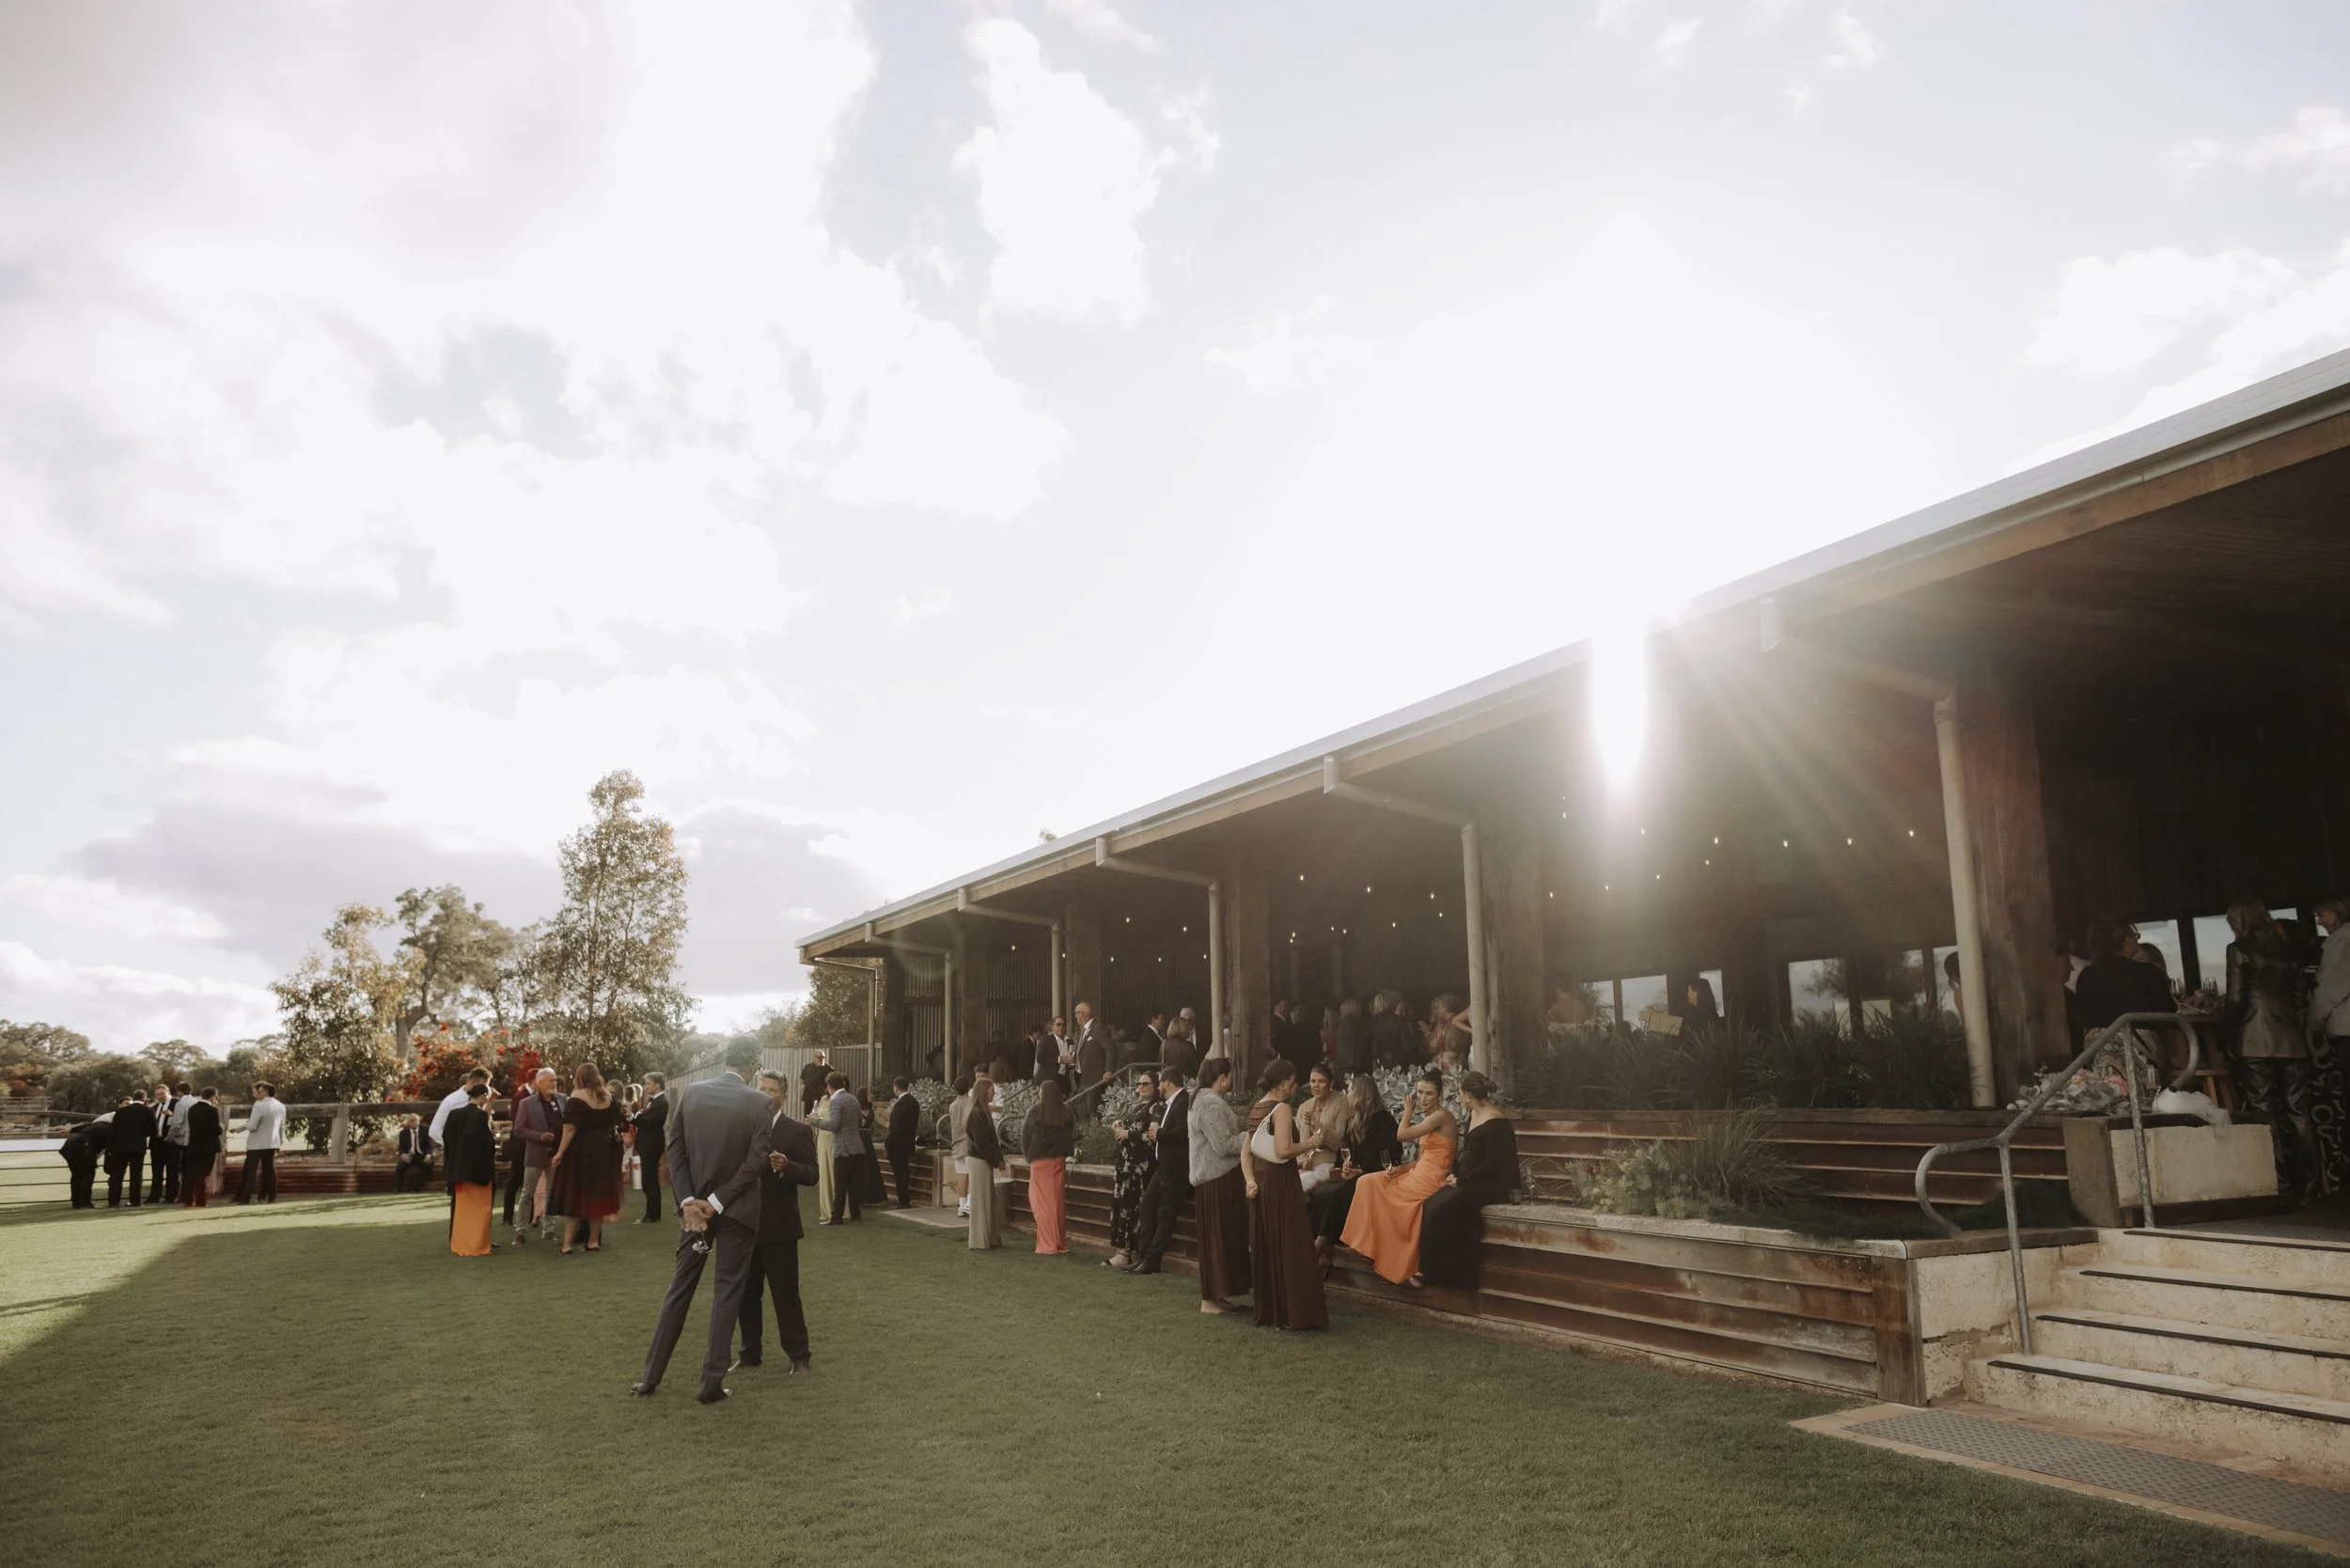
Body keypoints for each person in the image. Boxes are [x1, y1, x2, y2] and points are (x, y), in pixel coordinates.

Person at [632, 1041, 776, 1403]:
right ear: (754, 1066)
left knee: (679, 1289)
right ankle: (710, 1384)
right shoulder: (760, 1102)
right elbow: (756, 1161)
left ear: (726, 1060)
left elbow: (675, 1149)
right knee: (726, 1293)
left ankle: (649, 1378)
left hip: (695, 1212)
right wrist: (715, 1202)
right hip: (735, 1211)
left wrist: (688, 1202)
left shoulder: (692, 1093)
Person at [2227, 899, 2318, 1200]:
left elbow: (2237, 999)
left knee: (2263, 1110)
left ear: (2239, 922)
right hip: (2291, 1038)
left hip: (2254, 1038)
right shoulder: (2289, 951)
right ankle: (2310, 1185)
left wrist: (2228, 1033)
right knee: (2299, 1112)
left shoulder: (2239, 950)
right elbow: (2299, 999)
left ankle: (2277, 1182)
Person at [737, 1071, 821, 1374]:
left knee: (785, 1295)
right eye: (761, 1089)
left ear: (783, 1096)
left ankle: (799, 1357)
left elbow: (812, 1175)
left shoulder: (796, 1131)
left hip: (780, 1229)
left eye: (772, 1090)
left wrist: (789, 1167)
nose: (766, 1094)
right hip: (745, 1226)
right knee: (746, 1295)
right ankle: (749, 1353)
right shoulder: (742, 1128)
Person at [1340, 1069, 1456, 1285]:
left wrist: (1408, 1111)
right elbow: (1420, 1159)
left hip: (1433, 1177)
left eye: (1428, 1094)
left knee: (1393, 1199)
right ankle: (1364, 1244)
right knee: (1367, 1181)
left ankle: (1391, 1256)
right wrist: (1401, 1169)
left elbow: (1401, 1135)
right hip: (1418, 1171)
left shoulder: (1441, 1116)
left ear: (1439, 1095)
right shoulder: (1431, 1117)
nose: (1422, 1098)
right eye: (1419, 1092)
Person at [1242, 1060, 1329, 1330]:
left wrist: (1249, 1181)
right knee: (1292, 1244)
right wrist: (1312, 1143)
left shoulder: (1257, 1107)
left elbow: (1247, 1152)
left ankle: (1273, 1311)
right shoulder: (1281, 1109)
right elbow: (1282, 1150)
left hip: (1262, 1182)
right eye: (1293, 1081)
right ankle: (1295, 1314)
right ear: (1282, 1083)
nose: (1296, 1085)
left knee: (1269, 1244)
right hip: (1280, 1183)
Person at [1417, 1071, 1518, 1291]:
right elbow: (1467, 1154)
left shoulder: (1496, 1122)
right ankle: (1433, 1269)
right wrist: (1456, 1174)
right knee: (1432, 1203)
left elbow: (1493, 1164)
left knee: (1445, 1207)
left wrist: (1462, 1181)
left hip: (1490, 1185)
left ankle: (1432, 1273)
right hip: (1469, 1180)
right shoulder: (1472, 1115)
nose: (1460, 1099)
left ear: (1468, 1095)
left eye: (1460, 1094)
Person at [1311, 1073, 1402, 1264]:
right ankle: (1326, 1248)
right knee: (1322, 1193)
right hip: (1363, 1175)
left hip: (1383, 1175)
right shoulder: (1356, 1122)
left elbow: (1388, 1156)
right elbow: (1350, 1154)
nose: (1347, 1093)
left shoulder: (1382, 1120)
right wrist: (1347, 1164)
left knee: (1340, 1194)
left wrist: (1359, 1170)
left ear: (1361, 1094)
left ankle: (1319, 1246)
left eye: (1351, 1090)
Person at [1188, 1057, 1250, 1314]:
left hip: (1216, 1179)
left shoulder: (1201, 1100)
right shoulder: (1209, 1103)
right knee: (1218, 1239)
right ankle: (1210, 1299)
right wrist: (1250, 1136)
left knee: (1220, 1239)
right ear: (1222, 1077)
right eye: (1229, 1076)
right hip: (1217, 1178)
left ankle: (1218, 1295)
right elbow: (1223, 1146)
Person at [551, 1062, 625, 1253]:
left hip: (581, 1151)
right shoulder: (607, 1097)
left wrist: (559, 1153)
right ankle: (593, 1241)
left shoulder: (576, 1097)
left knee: (575, 1196)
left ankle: (567, 1245)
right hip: (603, 1149)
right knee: (596, 1196)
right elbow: (617, 1121)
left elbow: (569, 1129)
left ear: (580, 1077)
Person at [1125, 1065, 1189, 1275]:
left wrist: (1159, 1134)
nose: (1159, 1086)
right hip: (1163, 1167)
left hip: (1176, 1169)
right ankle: (1143, 1257)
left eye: (1161, 1082)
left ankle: (1152, 1261)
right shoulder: (1171, 1103)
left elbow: (1183, 1131)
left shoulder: (1183, 1101)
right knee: (1146, 1207)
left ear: (1168, 1082)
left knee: (1165, 1215)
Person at [2076, 918, 2173, 1034]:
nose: (2137, 941)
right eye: (2136, 937)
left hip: (2096, 1049)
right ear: (2127, 940)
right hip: (2141, 1049)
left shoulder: (2086, 976)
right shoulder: (2147, 972)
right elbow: (2170, 1014)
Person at [1106, 1071, 1160, 1268]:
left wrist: (1129, 1133)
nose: (1141, 1087)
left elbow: (1152, 1136)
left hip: (1142, 1169)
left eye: (1145, 1083)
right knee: (1123, 1208)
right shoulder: (1137, 1106)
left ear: (1156, 1085)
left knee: (1135, 1209)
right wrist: (1120, 1127)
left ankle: (1132, 1252)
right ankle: (1123, 1252)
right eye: (1138, 1084)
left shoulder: (1158, 1108)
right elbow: (1127, 1134)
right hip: (1127, 1167)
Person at [443, 1082, 499, 1257]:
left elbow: (447, 1139)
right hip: (477, 1171)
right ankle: (476, 1246)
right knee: (480, 1209)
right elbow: (484, 1144)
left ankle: (460, 1244)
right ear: (482, 1097)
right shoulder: (480, 1117)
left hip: (458, 1170)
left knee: (462, 1210)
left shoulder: (454, 1114)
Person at [509, 1068, 565, 1244]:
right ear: (539, 1082)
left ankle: (548, 1230)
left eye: (555, 1080)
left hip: (556, 1154)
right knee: (527, 1193)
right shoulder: (526, 1103)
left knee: (551, 1192)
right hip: (535, 1153)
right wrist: (539, 1136)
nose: (554, 1083)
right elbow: (518, 1129)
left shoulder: (563, 1100)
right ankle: (521, 1231)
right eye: (550, 1080)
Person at [1025, 1077, 1076, 1256]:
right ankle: (1058, 1242)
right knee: (1056, 1203)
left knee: (1040, 1203)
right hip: (1058, 1160)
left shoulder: (1035, 1111)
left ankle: (1047, 1244)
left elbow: (1026, 1136)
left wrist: (1027, 1155)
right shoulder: (1066, 1112)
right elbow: (1070, 1137)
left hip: (1039, 1161)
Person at [807, 1071, 867, 1225]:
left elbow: (834, 1125)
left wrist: (814, 1122)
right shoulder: (853, 1099)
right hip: (856, 1146)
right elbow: (860, 1122)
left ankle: (836, 1217)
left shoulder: (836, 1101)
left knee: (840, 1185)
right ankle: (855, 1214)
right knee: (853, 1184)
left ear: (829, 1086)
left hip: (842, 1147)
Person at [964, 1074, 1004, 1250]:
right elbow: (982, 1142)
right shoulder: (977, 1113)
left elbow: (989, 1140)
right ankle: (980, 1241)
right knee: (980, 1200)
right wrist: (997, 1160)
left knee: (987, 1199)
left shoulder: (981, 1112)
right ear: (983, 1091)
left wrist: (997, 1159)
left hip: (982, 1160)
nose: (993, 1092)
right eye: (991, 1090)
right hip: (979, 1160)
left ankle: (990, 1237)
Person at [632, 1073, 670, 1223]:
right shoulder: (653, 1101)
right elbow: (642, 1120)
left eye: (648, 1083)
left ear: (657, 1084)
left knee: (650, 1180)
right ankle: (651, 1212)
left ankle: (653, 1214)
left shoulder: (661, 1102)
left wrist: (638, 1116)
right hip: (646, 1144)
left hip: (652, 1145)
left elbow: (648, 1121)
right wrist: (634, 1117)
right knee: (648, 1180)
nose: (646, 1086)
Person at [238, 1082, 285, 1203]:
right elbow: (281, 1126)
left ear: (264, 1092)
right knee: (269, 1170)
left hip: (257, 1143)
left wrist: (240, 1128)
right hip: (272, 1142)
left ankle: (246, 1197)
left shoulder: (259, 1106)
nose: (255, 1095)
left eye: (257, 1092)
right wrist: (280, 1142)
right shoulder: (280, 1105)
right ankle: (271, 1196)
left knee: (250, 1171)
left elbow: (253, 1126)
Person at [105, 1092, 152, 1208]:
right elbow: (154, 1130)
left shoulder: (120, 1112)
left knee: (117, 1176)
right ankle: (135, 1201)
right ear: (144, 1099)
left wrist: (110, 1148)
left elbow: (113, 1131)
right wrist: (142, 1135)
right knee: (136, 1176)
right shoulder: (147, 1111)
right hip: (137, 1147)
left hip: (119, 1147)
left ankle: (113, 1202)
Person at [180, 1088, 225, 1208]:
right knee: (203, 1174)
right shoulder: (212, 1110)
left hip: (194, 1145)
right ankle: (201, 1200)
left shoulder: (192, 1109)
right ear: (212, 1097)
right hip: (208, 1147)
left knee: (191, 1174)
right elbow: (215, 1129)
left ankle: (187, 1199)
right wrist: (221, 1127)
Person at [884, 1076, 920, 1209]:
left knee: (899, 1174)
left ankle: (903, 1200)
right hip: (908, 1142)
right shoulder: (914, 1102)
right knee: (904, 1172)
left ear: (896, 1088)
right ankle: (904, 1199)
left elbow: (895, 1127)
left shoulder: (900, 1104)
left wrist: (888, 1142)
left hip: (897, 1144)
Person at [428, 1069, 486, 1150]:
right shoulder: (451, 1101)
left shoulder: (482, 1099)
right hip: (458, 1156)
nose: (486, 1089)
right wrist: (457, 1145)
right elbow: (434, 1131)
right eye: (484, 1086)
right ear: (473, 1083)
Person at [59, 1115, 105, 1208]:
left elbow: (87, 1125)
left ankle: (77, 1202)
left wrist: (71, 1130)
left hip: (69, 1146)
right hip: (83, 1148)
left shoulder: (97, 1124)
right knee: (88, 1175)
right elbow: (106, 1148)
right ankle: (85, 1202)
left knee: (76, 1175)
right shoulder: (110, 1128)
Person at [146, 1083, 177, 1204]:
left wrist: (172, 1115)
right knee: (156, 1171)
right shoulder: (154, 1107)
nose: (160, 1096)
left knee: (172, 1170)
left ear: (168, 1092)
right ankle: (154, 1197)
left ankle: (170, 1197)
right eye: (157, 1094)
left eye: (162, 1093)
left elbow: (183, 1120)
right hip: (156, 1142)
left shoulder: (176, 1104)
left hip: (171, 1142)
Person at [948, 1074, 975, 1217]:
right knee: (973, 1175)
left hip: (957, 1142)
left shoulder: (952, 1106)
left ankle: (962, 1205)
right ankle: (969, 1204)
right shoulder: (971, 1103)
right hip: (969, 1142)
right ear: (969, 1088)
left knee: (962, 1176)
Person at [164, 1080, 196, 1200]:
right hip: (193, 1139)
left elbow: (177, 1124)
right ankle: (187, 1194)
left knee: (176, 1169)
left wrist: (169, 1138)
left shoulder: (180, 1104)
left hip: (181, 1140)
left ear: (179, 1092)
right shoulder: (196, 1102)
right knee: (189, 1169)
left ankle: (174, 1195)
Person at [1073, 1001, 1108, 1090]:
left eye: (1076, 1013)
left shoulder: (1098, 1028)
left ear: (1083, 1013)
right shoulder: (1082, 1030)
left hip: (1093, 1078)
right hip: (1081, 1077)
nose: (1075, 1016)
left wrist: (1108, 1071)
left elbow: (1109, 1049)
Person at [395, 1115, 435, 1192]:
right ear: (408, 1122)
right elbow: (401, 1148)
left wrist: (428, 1154)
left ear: (419, 1121)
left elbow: (429, 1146)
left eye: (416, 1120)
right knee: (399, 1167)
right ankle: (396, 1189)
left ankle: (415, 1187)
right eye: (412, 1120)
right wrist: (403, 1155)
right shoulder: (403, 1133)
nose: (414, 1122)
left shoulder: (426, 1130)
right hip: (409, 1156)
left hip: (422, 1155)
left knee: (429, 1164)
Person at [1336, 996, 1371, 1075]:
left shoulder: (1342, 1024)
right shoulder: (1352, 1025)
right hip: (1352, 1065)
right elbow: (1354, 1045)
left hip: (1342, 1064)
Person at [799, 1051, 831, 1115]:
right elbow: (802, 1078)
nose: (821, 1059)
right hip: (808, 1096)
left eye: (822, 1057)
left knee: (817, 1115)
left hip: (820, 1097)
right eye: (819, 1057)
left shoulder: (828, 1068)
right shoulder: (808, 1067)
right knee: (807, 1115)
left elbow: (832, 1082)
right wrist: (803, 1085)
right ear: (814, 1058)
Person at [1031, 1021, 1059, 1085]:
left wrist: (1035, 1075)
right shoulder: (1044, 1040)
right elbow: (1039, 1059)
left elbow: (1037, 1062)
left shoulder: (1042, 1040)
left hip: (1045, 1076)